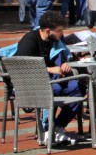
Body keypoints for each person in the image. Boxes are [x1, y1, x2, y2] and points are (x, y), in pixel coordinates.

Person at [14, 11, 83, 147]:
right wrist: (51, 69)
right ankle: (46, 128)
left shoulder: (55, 41)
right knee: (57, 88)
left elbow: (60, 56)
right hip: (31, 84)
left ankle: (57, 126)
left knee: (79, 88)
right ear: (47, 30)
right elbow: (20, 66)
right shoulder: (30, 41)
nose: (62, 34)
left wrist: (64, 63)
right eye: (59, 31)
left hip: (50, 81)